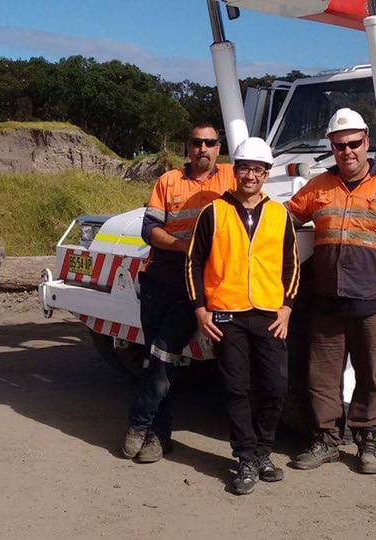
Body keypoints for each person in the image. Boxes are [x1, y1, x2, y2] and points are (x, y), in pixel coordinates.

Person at [286, 108, 376, 474]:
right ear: (331, 147)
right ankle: (326, 441)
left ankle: (368, 442)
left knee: (371, 376)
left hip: (375, 304)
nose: (347, 151)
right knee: (322, 378)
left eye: (353, 143)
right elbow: (284, 218)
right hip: (327, 304)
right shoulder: (319, 187)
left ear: (367, 141)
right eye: (339, 146)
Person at [186, 137, 299, 495]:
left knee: (275, 386)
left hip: (269, 313)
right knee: (237, 389)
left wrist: (287, 307)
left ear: (267, 174)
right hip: (226, 314)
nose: (251, 175)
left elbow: (292, 265)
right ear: (235, 171)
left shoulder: (280, 214)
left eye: (258, 170)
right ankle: (246, 458)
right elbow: (193, 262)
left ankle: (264, 452)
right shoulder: (213, 212)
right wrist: (200, 308)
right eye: (245, 168)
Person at [122, 124, 236, 463]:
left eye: (210, 143)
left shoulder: (231, 177)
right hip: (160, 277)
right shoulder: (168, 181)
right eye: (197, 142)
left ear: (219, 148)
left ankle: (140, 424)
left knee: (163, 353)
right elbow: (149, 230)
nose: (203, 148)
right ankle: (158, 435)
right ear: (188, 147)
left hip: (194, 284)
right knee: (155, 358)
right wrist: (184, 245)